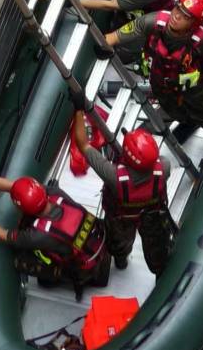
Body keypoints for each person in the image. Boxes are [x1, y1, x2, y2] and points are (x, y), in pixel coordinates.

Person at [0, 172, 109, 299]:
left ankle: (61, 276)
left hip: (80, 264)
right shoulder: (54, 194)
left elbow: (3, 235)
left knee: (22, 263)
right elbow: (12, 187)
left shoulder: (38, 235)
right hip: (94, 240)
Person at [97, 0, 203, 141]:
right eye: (178, 9)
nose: (176, 16)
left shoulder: (202, 40)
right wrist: (104, 44)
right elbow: (119, 35)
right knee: (171, 108)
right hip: (161, 82)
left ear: (194, 23)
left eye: (186, 16)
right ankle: (187, 121)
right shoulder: (154, 21)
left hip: (191, 85)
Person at [72, 102, 175, 275]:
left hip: (121, 219)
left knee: (119, 244)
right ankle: (159, 269)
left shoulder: (114, 177)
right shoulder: (164, 167)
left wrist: (78, 110)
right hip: (153, 215)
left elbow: (83, 144)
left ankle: (121, 260)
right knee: (157, 246)